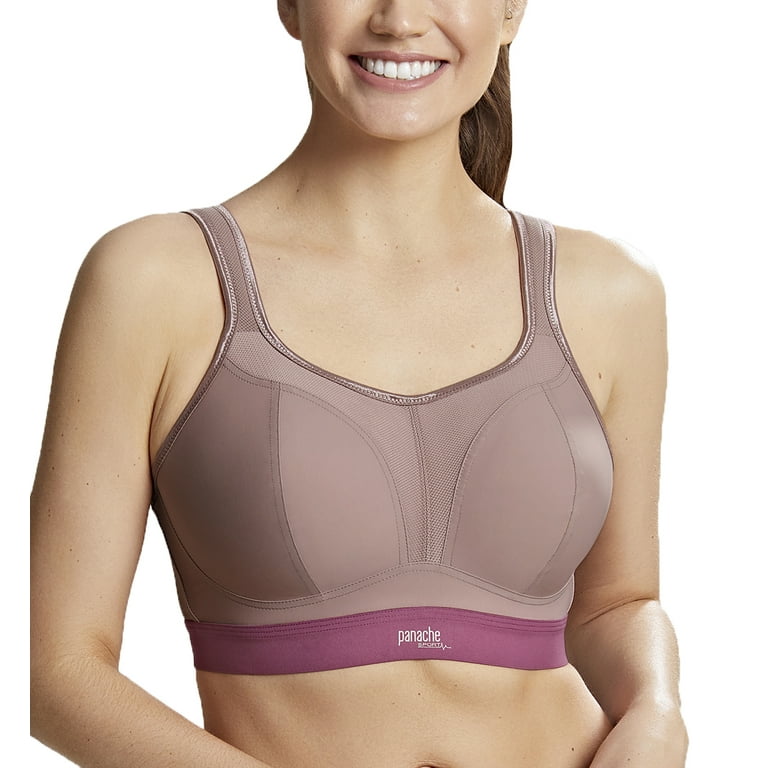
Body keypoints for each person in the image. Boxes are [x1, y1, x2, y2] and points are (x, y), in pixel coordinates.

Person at [30, 1, 688, 766]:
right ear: (290, 5)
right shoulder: (156, 281)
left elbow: (617, 603)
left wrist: (657, 713)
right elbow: (54, 673)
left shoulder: (610, 293)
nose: (399, 19)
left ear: (511, 10)